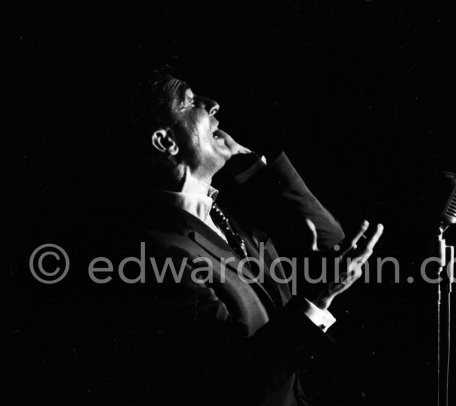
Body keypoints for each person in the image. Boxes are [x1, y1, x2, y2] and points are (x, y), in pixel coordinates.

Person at [114, 71, 384, 405]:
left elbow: (332, 243)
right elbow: (237, 380)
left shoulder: (226, 212)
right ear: (165, 141)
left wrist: (255, 168)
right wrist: (318, 296)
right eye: (190, 101)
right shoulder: (159, 252)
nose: (213, 105)